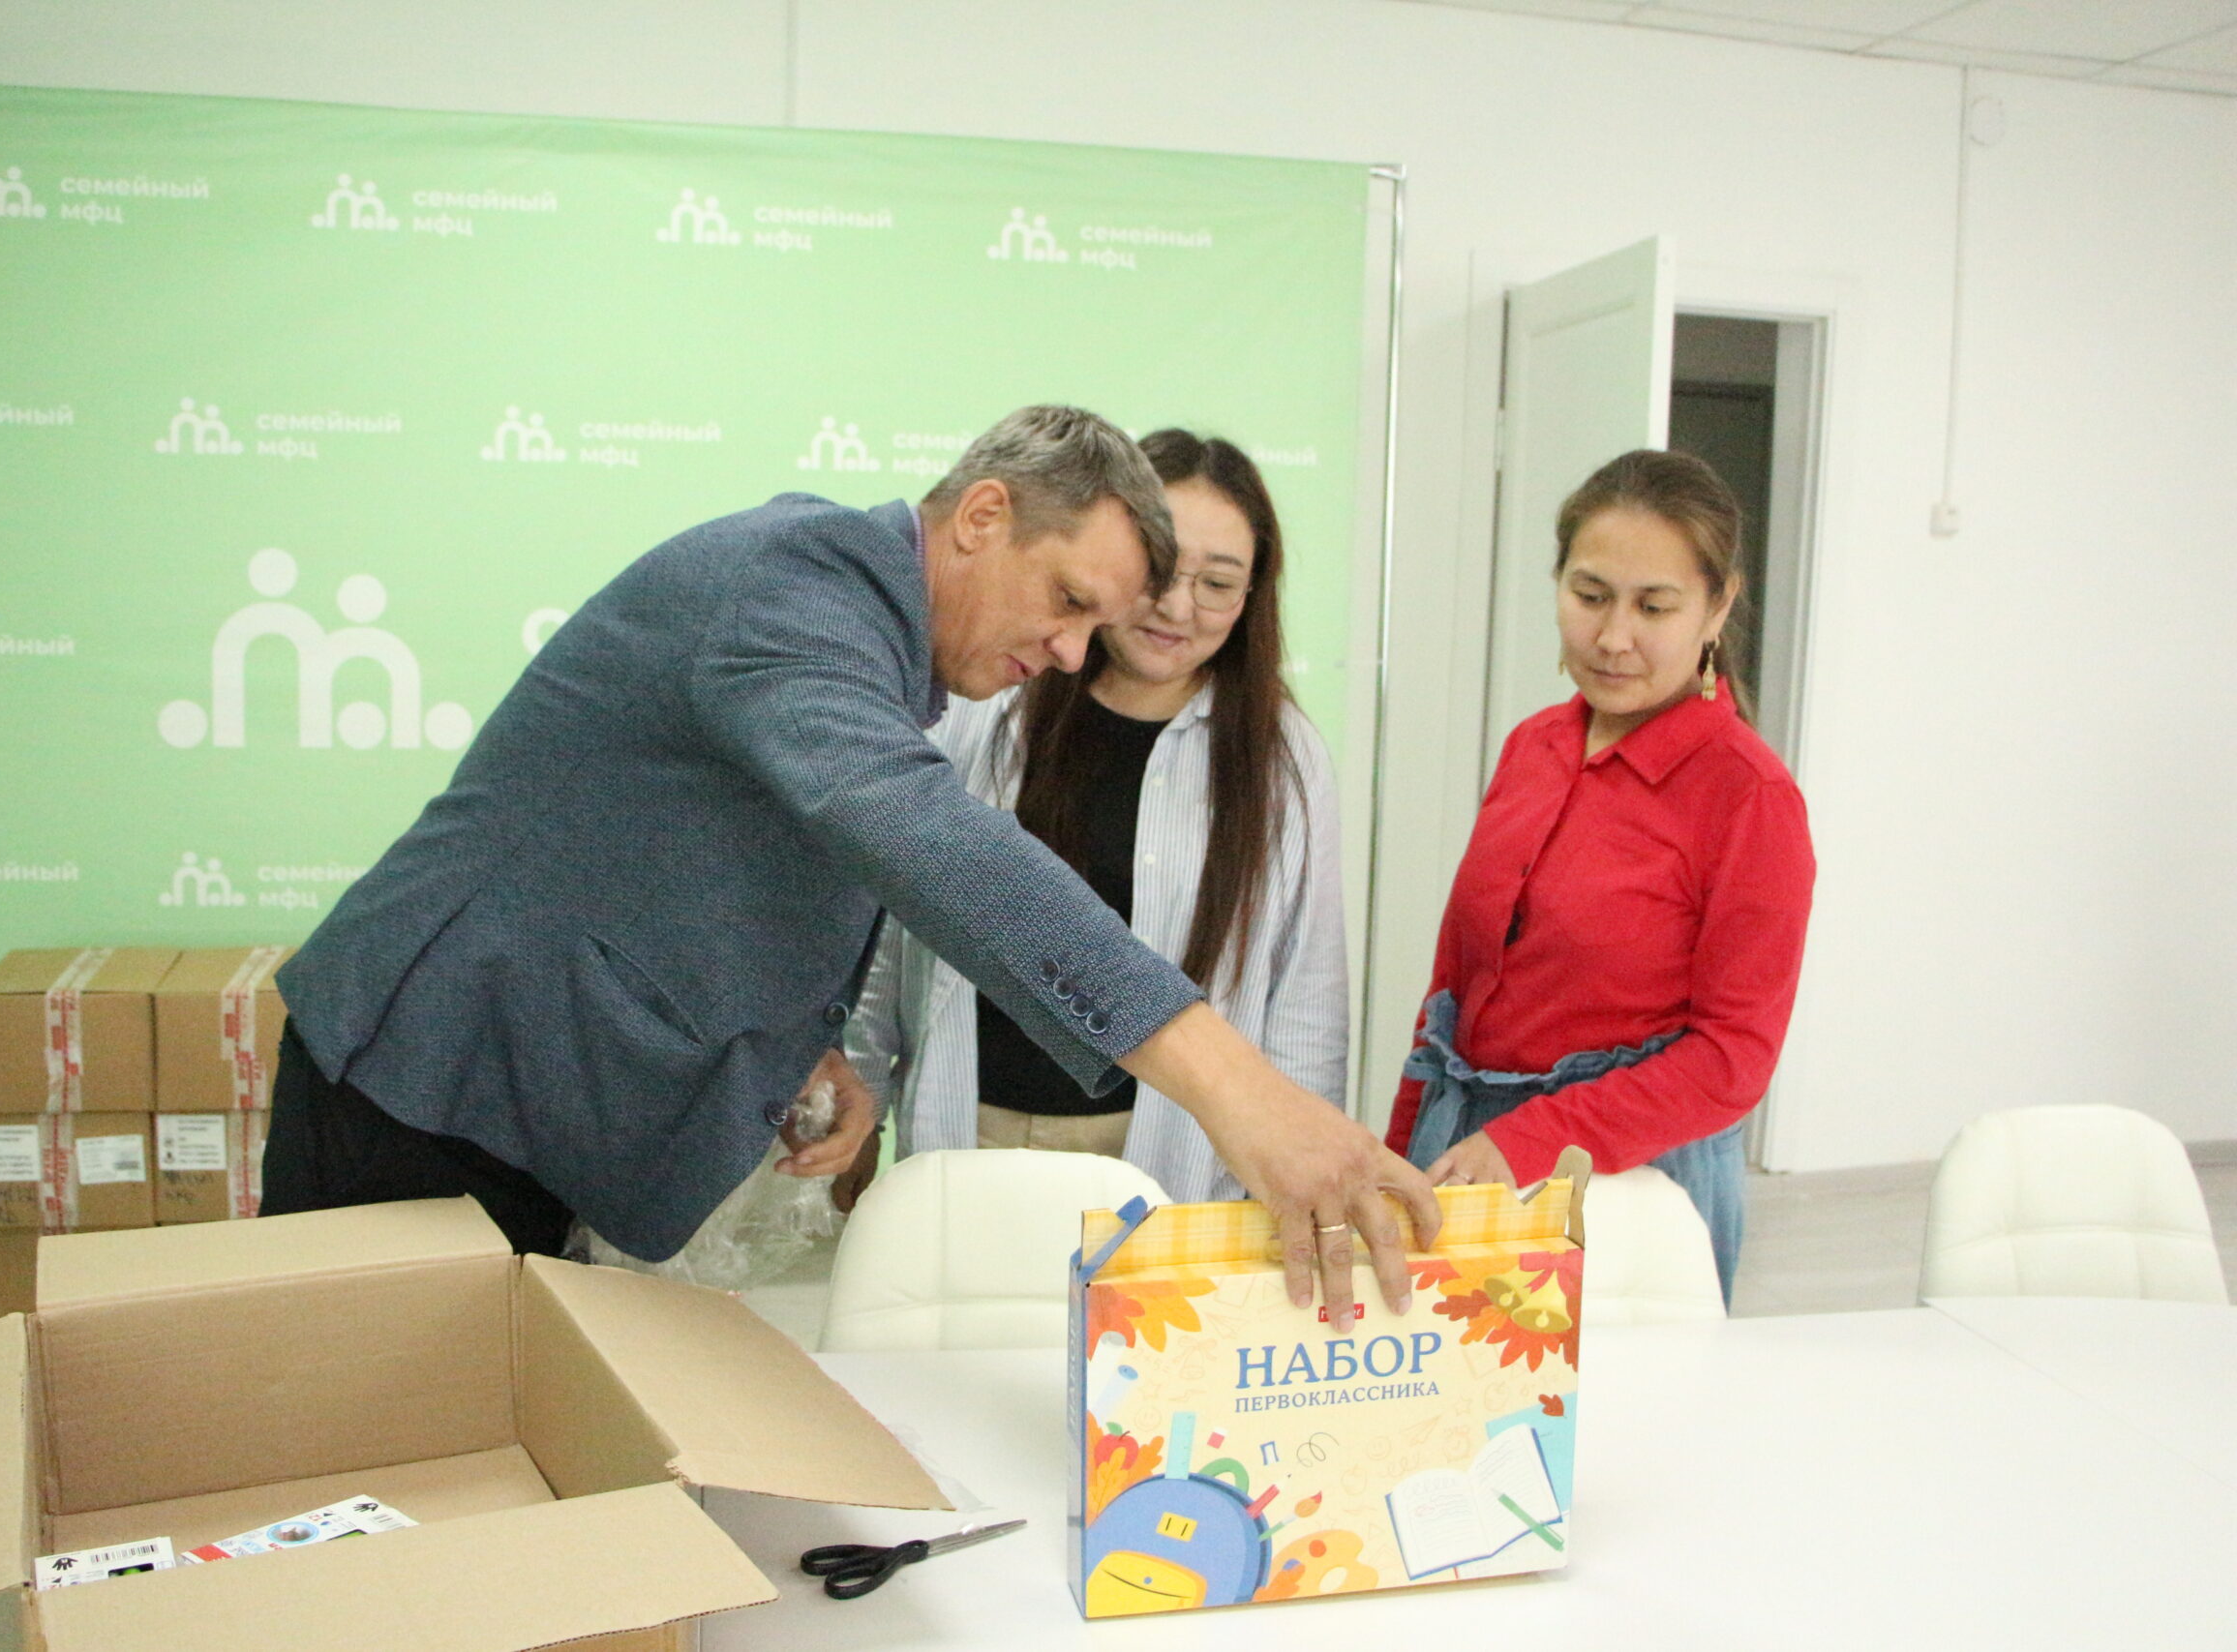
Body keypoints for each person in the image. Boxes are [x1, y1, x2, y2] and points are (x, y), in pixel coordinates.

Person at [266, 405, 1439, 1331]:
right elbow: (930, 843)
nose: (1069, 651)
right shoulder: (793, 591)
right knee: (379, 1469)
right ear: (982, 515)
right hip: (428, 1078)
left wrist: (804, 1039)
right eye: (1068, 602)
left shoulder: (872, 636)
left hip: (526, 1099)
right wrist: (1238, 1090)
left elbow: (700, 853)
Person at [844, 431, 1345, 1202]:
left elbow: (1305, 994)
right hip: (969, 1133)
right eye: (1161, 572)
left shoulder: (1281, 756)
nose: (1177, 607)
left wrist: (1301, 1159)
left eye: (1218, 583)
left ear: (1252, 596)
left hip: (1161, 1160)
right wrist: (860, 1084)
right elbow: (890, 919)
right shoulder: (990, 697)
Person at [1383, 448, 1815, 1302]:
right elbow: (1453, 990)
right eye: (1589, 595)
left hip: (1631, 1186)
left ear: (1718, 605)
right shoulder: (1534, 745)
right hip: (1466, 1153)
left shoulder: (1749, 796)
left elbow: (1732, 1058)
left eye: (1654, 606)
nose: (1614, 637)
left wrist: (1530, 1139)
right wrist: (1395, 1159)